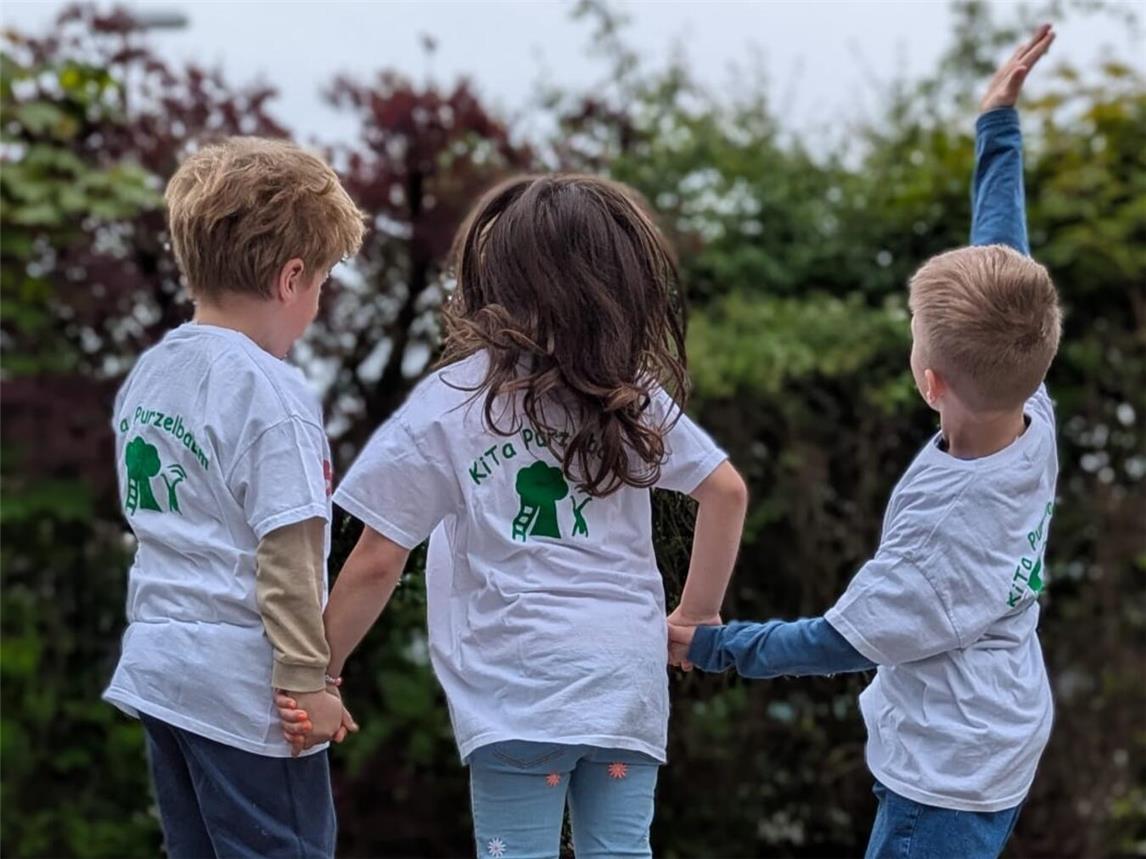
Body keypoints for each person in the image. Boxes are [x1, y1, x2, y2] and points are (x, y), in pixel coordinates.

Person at [668, 24, 1059, 859]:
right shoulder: (1032, 406)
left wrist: (712, 644)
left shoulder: (942, 537)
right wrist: (997, 126)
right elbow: (1006, 254)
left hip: (943, 778)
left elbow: (836, 640)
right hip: (1000, 731)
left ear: (930, 381)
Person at [279, 175, 748, 858]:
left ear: (493, 277)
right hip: (624, 685)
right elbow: (726, 491)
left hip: (517, 694)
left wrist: (320, 674)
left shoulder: (451, 402)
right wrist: (697, 614)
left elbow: (380, 558)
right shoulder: (629, 396)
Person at [104, 137, 364, 858]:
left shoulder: (154, 374)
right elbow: (287, 553)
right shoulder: (270, 393)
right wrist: (308, 683)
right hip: (245, 693)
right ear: (290, 279)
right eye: (322, 281)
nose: (317, 299)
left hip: (163, 668)